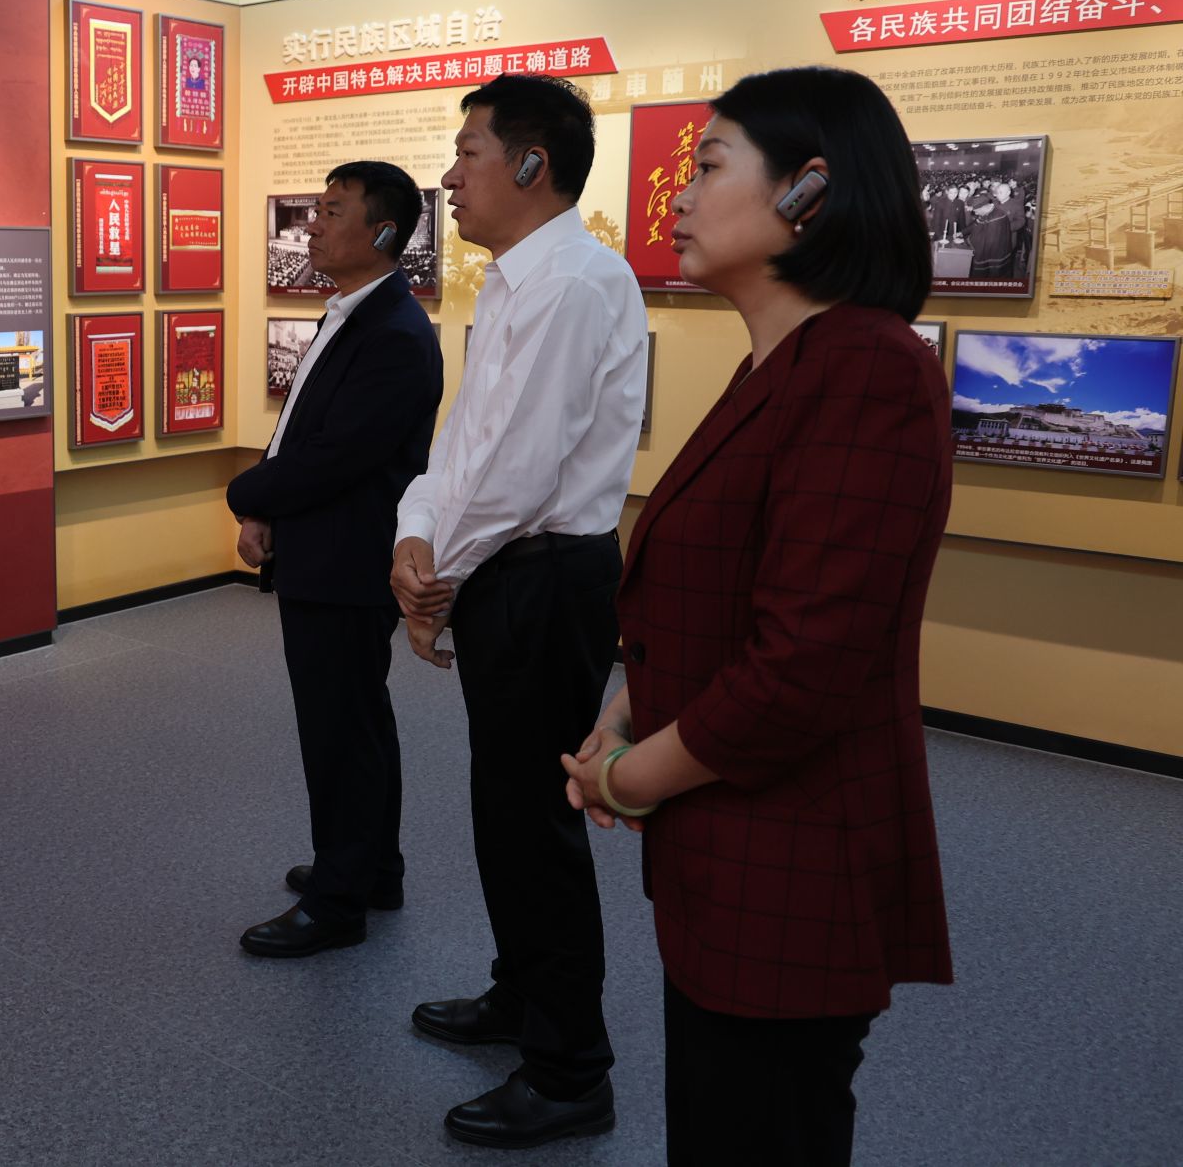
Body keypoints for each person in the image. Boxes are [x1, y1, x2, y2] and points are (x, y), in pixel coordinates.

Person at [561, 66, 953, 1167]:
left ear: (807, 190)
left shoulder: (866, 369)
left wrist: (624, 778)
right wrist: (629, 707)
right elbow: (733, 595)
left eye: (707, 165)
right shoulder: (782, 363)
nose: (678, 196)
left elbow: (802, 668)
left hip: (793, 860)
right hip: (729, 845)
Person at [389, 74, 647, 1151]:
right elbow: (463, 443)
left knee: (536, 822)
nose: (449, 177)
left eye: (468, 152)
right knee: (503, 806)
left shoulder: (574, 284)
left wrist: (431, 583)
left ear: (532, 164)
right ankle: (521, 994)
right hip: (499, 567)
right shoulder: (511, 281)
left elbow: (520, 472)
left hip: (542, 577)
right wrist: (414, 537)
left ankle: (570, 1067)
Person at [226, 161, 444, 957]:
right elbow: (301, 432)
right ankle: (370, 867)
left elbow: (334, 457)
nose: (310, 225)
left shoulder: (393, 334)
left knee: (339, 729)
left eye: (330, 211)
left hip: (349, 559)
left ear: (382, 231)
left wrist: (245, 491)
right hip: (326, 549)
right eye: (314, 209)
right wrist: (265, 505)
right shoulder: (351, 313)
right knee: (356, 716)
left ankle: (337, 901)